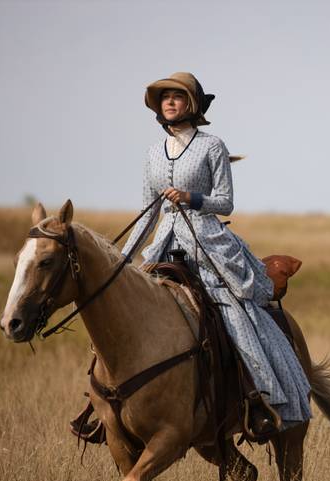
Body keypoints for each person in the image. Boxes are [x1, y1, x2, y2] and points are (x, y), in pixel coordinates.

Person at [72, 72, 311, 440]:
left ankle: (261, 398)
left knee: (232, 311)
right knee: (127, 311)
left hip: (207, 244)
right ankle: (104, 407)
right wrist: (121, 261)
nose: (169, 102)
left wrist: (191, 198)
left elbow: (226, 202)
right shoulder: (153, 153)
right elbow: (148, 213)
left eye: (177, 96)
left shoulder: (212, 146)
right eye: (164, 97)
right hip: (164, 244)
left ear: (192, 104)